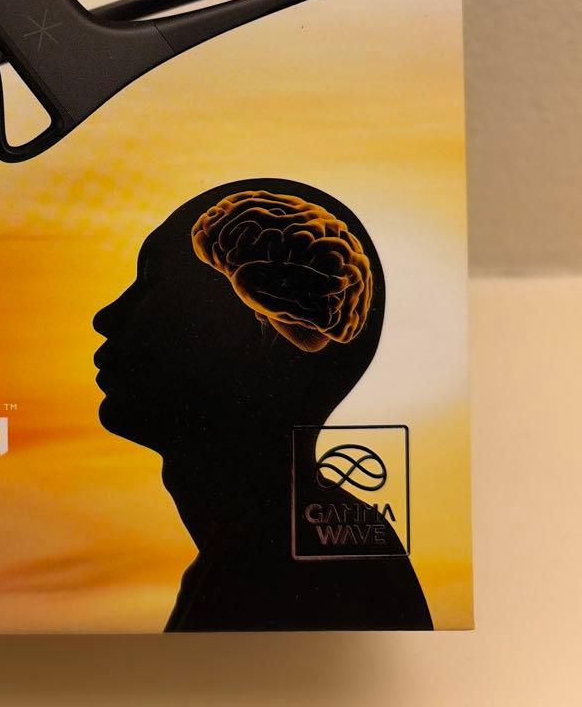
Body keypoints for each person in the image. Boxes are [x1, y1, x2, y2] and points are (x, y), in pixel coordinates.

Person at [92, 179, 433, 631]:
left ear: (256, 336)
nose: (105, 317)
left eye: (150, 284)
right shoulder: (329, 542)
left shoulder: (282, 574)